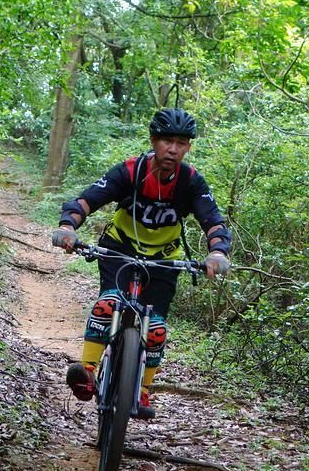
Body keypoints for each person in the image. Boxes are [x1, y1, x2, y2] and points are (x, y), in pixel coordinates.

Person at [52, 108, 232, 419]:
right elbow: (87, 200)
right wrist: (68, 227)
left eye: (181, 143)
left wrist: (217, 253)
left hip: (163, 260)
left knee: (156, 329)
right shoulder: (130, 171)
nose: (172, 149)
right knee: (108, 304)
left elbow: (213, 221)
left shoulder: (191, 181)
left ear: (188, 147)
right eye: (166, 141)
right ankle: (88, 371)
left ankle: (143, 389)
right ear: (153, 140)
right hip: (119, 249)